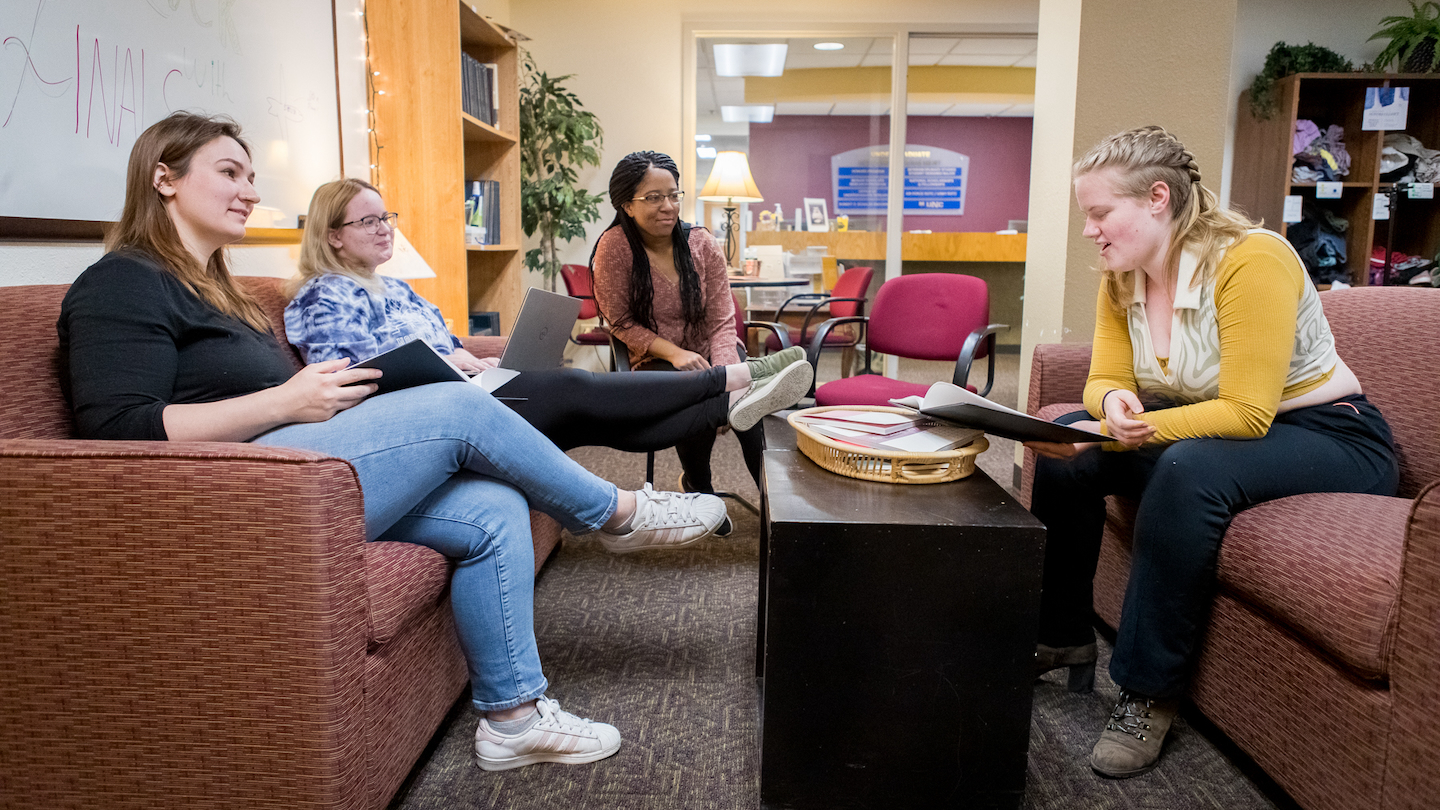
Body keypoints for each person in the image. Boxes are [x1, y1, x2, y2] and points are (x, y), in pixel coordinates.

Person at [56, 112, 731, 773]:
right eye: (229, 172)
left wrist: (301, 401)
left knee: (493, 508)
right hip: (240, 494)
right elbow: (119, 432)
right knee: (457, 405)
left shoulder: (216, 289)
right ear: (163, 179)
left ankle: (513, 721)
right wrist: (286, 399)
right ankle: (616, 513)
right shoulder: (122, 282)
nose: (251, 191)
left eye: (252, 176)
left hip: (299, 470)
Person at [1024, 125, 1398, 779]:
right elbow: (1105, 377)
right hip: (1218, 426)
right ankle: (1061, 635)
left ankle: (1147, 695)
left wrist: (1132, 427)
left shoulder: (1251, 260)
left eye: (1100, 213)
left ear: (1157, 199)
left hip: (1329, 433)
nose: (1090, 230)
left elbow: (1248, 413)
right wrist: (1109, 407)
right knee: (1070, 447)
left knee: (1186, 466)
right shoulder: (1122, 274)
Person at [283, 178, 812, 458]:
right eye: (369, 221)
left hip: (464, 389)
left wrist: (463, 357)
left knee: (585, 417)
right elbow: (346, 378)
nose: (385, 229)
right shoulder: (325, 295)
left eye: (387, 218)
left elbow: (448, 344)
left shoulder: (399, 288)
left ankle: (729, 401)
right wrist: (450, 362)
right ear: (333, 235)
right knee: (572, 387)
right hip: (424, 411)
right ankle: (737, 380)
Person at [590, 151, 765, 498]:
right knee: (692, 392)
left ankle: (772, 502)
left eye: (673, 195)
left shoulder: (701, 243)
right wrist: (674, 353)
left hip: (714, 349)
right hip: (655, 358)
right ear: (627, 205)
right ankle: (699, 486)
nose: (668, 206)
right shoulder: (614, 248)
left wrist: (726, 376)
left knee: (749, 400)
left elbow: (721, 320)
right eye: (653, 198)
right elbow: (620, 322)